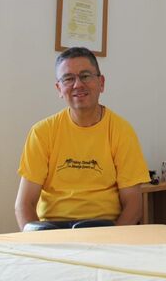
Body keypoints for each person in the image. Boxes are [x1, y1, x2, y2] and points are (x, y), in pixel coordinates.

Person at [15, 47, 150, 231]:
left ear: (101, 83)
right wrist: (37, 242)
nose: (78, 85)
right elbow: (24, 204)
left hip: (105, 229)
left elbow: (133, 206)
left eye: (85, 76)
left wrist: (113, 240)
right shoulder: (42, 132)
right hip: (53, 230)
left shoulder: (122, 131)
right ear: (59, 89)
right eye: (68, 79)